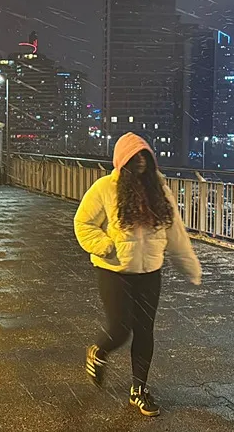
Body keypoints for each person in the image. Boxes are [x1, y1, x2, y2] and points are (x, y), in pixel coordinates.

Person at [74, 132, 202, 417]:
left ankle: (139, 390)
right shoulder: (105, 188)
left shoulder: (160, 191)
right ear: (123, 160)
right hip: (114, 271)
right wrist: (104, 246)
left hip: (150, 273)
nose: (141, 160)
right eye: (134, 156)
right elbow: (83, 223)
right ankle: (99, 351)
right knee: (120, 328)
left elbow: (176, 233)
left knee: (145, 331)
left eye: (145, 155)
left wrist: (189, 266)